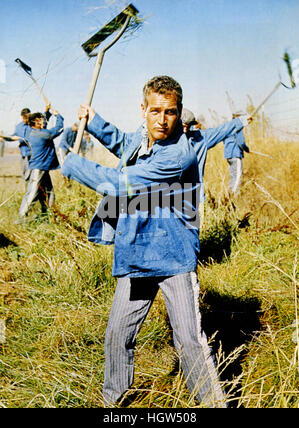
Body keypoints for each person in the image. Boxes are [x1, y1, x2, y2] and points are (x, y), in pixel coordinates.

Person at [62, 75, 227, 408]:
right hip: (137, 254)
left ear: (179, 113)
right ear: (144, 110)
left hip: (173, 258)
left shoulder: (178, 155)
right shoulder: (144, 138)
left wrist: (71, 163)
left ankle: (212, 404)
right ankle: (114, 402)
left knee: (189, 341)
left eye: (170, 113)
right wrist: (93, 121)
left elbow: (120, 182)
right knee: (117, 336)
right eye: (155, 111)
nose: (162, 120)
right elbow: (125, 142)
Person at [17, 108, 64, 221]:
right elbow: (58, 129)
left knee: (49, 193)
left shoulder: (33, 132)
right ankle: (21, 218)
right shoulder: (42, 134)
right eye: (41, 120)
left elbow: (45, 127)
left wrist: (47, 112)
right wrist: (58, 116)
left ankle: (49, 215)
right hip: (39, 169)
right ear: (37, 122)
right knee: (32, 193)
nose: (43, 122)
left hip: (43, 168)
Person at [223, 111, 250, 195]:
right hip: (236, 154)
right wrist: (246, 149)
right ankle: (233, 196)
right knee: (238, 176)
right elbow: (241, 142)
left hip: (228, 155)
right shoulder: (238, 127)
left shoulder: (228, 127)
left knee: (233, 176)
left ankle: (230, 192)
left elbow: (224, 141)